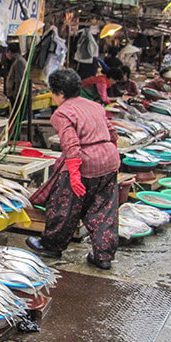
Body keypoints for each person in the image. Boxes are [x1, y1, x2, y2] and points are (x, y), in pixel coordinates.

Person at [27, 69, 120, 269]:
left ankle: (51, 245)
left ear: (59, 93)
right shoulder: (95, 106)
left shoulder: (62, 113)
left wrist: (75, 175)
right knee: (105, 209)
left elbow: (71, 145)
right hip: (109, 160)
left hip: (84, 163)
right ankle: (103, 256)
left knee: (64, 206)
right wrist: (109, 153)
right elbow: (112, 133)